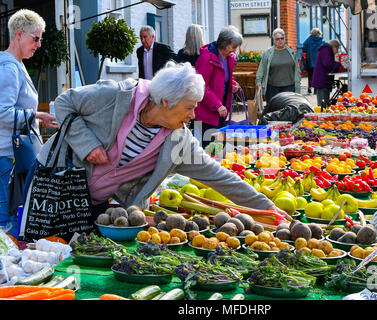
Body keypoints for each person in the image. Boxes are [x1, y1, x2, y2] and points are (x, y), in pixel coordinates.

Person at [32, 62, 282, 219]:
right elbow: (64, 102)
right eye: (189, 107)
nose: (193, 115)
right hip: (53, 186)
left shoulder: (179, 142)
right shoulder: (117, 96)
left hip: (94, 204)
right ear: (166, 102)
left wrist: (268, 207)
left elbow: (220, 177)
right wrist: (87, 145)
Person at [0, 9, 57, 238]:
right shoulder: (9, 67)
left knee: (12, 217)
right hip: (7, 157)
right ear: (19, 34)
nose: (39, 43)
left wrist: (38, 116)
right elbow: (3, 112)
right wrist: (36, 117)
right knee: (8, 220)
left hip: (11, 156)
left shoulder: (16, 64)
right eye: (36, 37)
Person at [194, 25, 242, 148]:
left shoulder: (229, 58)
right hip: (205, 112)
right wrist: (217, 105)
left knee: (217, 148)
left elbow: (223, 78)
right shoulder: (206, 57)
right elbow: (202, 85)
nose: (235, 50)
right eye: (233, 46)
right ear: (224, 43)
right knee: (202, 149)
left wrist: (232, 84)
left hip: (220, 111)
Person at [255, 28, 301, 106]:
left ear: (284, 39)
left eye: (282, 38)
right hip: (272, 88)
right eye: (277, 39)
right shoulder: (268, 53)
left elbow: (297, 70)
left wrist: (298, 84)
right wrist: (258, 82)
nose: (280, 40)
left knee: (288, 110)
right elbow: (261, 69)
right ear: (274, 40)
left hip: (289, 87)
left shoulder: (291, 52)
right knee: (273, 111)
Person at [312, 39, 345, 107]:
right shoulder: (326, 50)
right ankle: (322, 115)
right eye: (337, 48)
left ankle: (323, 113)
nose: (337, 51)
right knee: (323, 102)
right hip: (322, 81)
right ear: (334, 47)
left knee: (324, 101)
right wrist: (338, 65)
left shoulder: (326, 50)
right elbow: (327, 63)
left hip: (323, 80)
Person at [302, 28, 325, 94]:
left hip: (310, 60)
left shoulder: (308, 40)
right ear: (319, 33)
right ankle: (316, 90)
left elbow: (304, 48)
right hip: (319, 61)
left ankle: (309, 87)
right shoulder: (321, 41)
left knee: (310, 75)